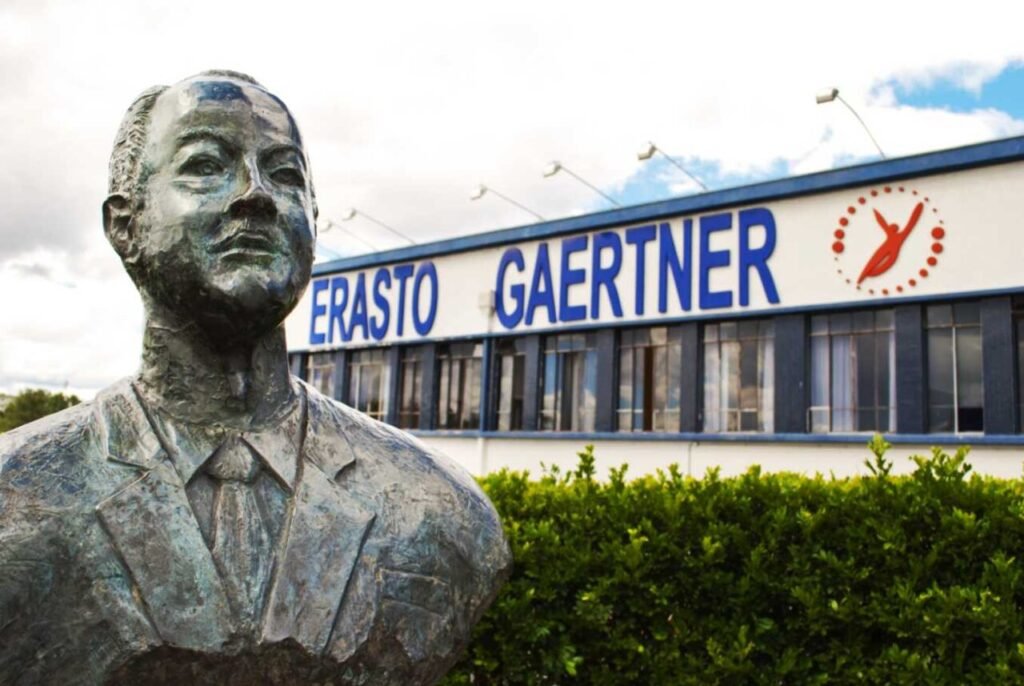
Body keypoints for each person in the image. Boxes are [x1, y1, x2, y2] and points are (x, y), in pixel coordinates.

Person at [0, 70, 511, 686]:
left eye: (285, 174)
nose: (255, 195)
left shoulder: (442, 515)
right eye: (205, 165)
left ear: (312, 225)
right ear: (124, 226)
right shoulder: (17, 499)